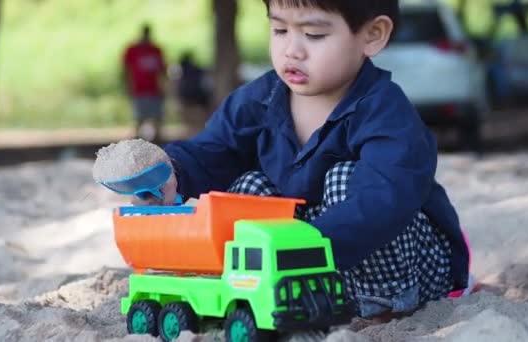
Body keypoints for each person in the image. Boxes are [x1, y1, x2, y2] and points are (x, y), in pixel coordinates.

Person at [139, 0, 471, 319]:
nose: (292, 50)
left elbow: (384, 200)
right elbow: (214, 149)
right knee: (249, 186)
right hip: (310, 259)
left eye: (313, 35)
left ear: (372, 35)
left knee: (343, 177)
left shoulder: (385, 111)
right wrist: (173, 173)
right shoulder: (261, 98)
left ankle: (383, 306)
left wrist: (303, 245)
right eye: (280, 30)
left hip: (404, 259)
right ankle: (270, 291)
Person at [123, 24, 167, 142]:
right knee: (139, 120)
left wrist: (164, 88)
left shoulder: (156, 50)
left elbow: (163, 71)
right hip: (139, 90)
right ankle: (137, 144)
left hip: (154, 90)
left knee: (157, 121)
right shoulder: (132, 50)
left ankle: (159, 145)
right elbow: (126, 70)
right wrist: (128, 87)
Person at [176, 51, 211, 135]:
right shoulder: (198, 70)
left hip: (188, 99)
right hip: (199, 100)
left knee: (190, 126)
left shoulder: (182, 72)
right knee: (199, 124)